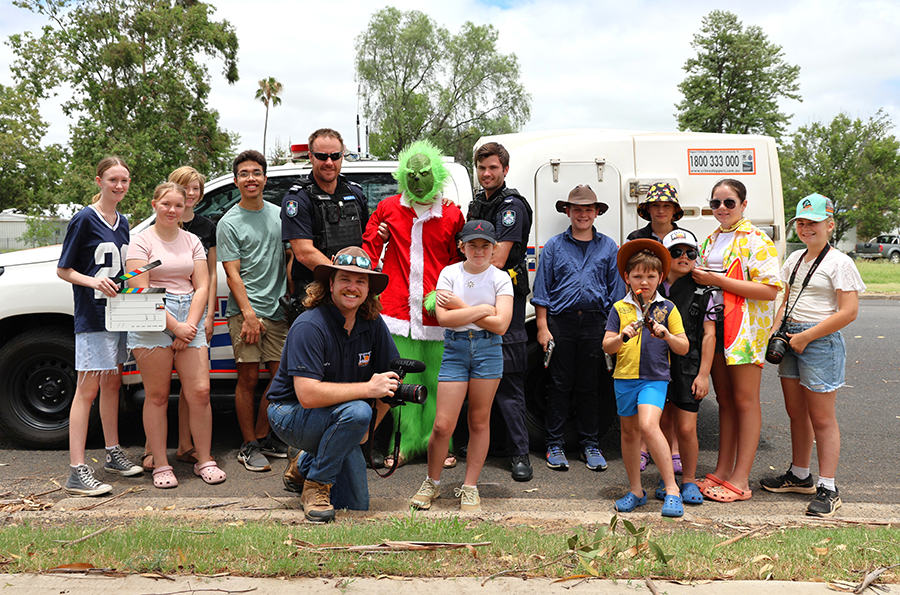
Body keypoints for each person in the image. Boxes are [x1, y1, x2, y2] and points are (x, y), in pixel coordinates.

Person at [267, 247, 400, 523]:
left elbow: (390, 381)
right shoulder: (309, 325)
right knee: (358, 412)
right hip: (290, 413)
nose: (352, 287)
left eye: (360, 281)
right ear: (330, 284)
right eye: (345, 279)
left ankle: (303, 462)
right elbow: (306, 395)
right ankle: (315, 485)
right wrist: (366, 394)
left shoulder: (373, 323)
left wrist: (367, 432)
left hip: (343, 416)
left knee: (355, 506)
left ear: (368, 289)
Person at [362, 140, 465, 469]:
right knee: (402, 384)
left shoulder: (451, 213)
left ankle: (439, 443)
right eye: (412, 175)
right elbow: (368, 248)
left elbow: (456, 261)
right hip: (398, 312)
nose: (418, 180)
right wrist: (379, 235)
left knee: (439, 382)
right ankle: (405, 444)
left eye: (424, 174)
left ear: (435, 173)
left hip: (437, 313)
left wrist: (444, 290)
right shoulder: (388, 208)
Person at [760, 194, 864, 517]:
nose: (806, 229)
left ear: (830, 225)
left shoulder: (840, 263)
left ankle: (829, 487)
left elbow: (849, 313)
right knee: (796, 412)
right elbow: (784, 301)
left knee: (822, 418)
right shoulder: (793, 260)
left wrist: (807, 336)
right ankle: (800, 475)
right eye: (801, 223)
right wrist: (777, 330)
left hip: (819, 341)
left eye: (813, 223)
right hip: (790, 337)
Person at [409, 221, 513, 512]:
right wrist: (482, 309)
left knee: (479, 421)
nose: (478, 251)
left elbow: (502, 324)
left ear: (493, 248)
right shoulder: (449, 273)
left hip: (488, 349)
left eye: (485, 245)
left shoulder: (500, 278)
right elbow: (444, 319)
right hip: (455, 349)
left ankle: (470, 487)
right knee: (442, 425)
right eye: (472, 245)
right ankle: (432, 481)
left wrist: (459, 305)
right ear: (461, 246)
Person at [126, 182, 223, 489]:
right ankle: (161, 463)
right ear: (154, 204)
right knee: (156, 396)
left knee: (200, 392)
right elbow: (139, 290)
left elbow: (202, 285)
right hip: (152, 318)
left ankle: (204, 459)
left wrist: (188, 326)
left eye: (178, 205)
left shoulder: (192, 240)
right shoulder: (140, 243)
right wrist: (174, 327)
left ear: (185, 208)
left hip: (188, 315)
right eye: (166, 204)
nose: (172, 210)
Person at [57, 156, 142, 496]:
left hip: (117, 314)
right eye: (113, 180)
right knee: (87, 390)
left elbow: (119, 269)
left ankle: (112, 452)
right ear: (99, 181)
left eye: (124, 180)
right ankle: (77, 470)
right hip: (92, 317)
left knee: (112, 384)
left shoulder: (123, 223)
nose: (119, 185)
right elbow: (64, 270)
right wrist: (94, 283)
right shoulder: (84, 219)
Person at [692, 179, 781, 503]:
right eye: (715, 203)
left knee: (745, 402)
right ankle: (722, 470)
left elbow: (770, 289)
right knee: (726, 401)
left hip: (744, 331)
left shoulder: (757, 240)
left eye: (729, 203)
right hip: (714, 328)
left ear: (743, 205)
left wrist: (717, 280)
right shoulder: (711, 239)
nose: (722, 209)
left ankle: (741, 479)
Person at [531, 185, 623, 471]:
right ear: (568, 212)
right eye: (577, 209)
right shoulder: (554, 247)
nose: (583, 214)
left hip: (596, 322)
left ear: (597, 213)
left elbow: (616, 292)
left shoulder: (609, 247)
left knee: (590, 385)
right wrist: (542, 328)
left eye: (588, 209)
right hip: (562, 321)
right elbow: (542, 290)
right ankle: (554, 444)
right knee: (559, 384)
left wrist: (611, 329)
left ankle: (590, 445)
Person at [603, 240, 689, 518]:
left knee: (649, 425)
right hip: (624, 378)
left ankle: (672, 490)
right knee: (629, 433)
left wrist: (667, 335)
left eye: (651, 276)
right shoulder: (619, 308)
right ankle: (636, 491)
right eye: (637, 276)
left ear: (660, 278)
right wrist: (622, 335)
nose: (644, 281)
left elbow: (684, 347)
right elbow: (607, 347)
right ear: (627, 278)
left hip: (655, 378)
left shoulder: (668, 308)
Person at [217, 150, 290, 472]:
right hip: (246, 312)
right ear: (236, 180)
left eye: (256, 172)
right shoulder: (229, 222)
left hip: (279, 312)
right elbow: (232, 274)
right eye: (244, 173)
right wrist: (248, 314)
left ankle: (263, 437)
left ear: (264, 178)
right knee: (247, 378)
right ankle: (248, 445)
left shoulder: (279, 215)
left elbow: (290, 256)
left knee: (280, 378)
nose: (251, 178)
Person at [466, 141, 534, 482]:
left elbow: (497, 259)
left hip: (503, 300)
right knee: (479, 376)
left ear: (504, 170)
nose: (487, 173)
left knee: (507, 381)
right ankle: (490, 445)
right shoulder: (478, 204)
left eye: (493, 167)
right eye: (482, 168)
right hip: (476, 299)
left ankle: (520, 453)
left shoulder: (511, 207)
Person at [626, 182, 683, 473]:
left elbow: (688, 273)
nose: (661, 210)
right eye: (655, 205)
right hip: (644, 313)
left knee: (671, 383)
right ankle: (645, 446)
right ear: (646, 209)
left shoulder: (684, 238)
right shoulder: (637, 238)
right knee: (647, 376)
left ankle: (672, 446)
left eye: (667, 205)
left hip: (674, 312)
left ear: (675, 210)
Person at [659, 229, 717, 506]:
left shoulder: (704, 292)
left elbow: (709, 335)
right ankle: (665, 476)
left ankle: (689, 480)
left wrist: (704, 373)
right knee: (662, 423)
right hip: (656, 366)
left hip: (688, 367)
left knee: (685, 428)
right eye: (676, 252)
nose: (684, 257)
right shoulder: (653, 286)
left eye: (690, 252)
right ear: (664, 256)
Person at [281, 128, 368, 302]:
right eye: (322, 156)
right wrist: (342, 276)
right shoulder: (298, 198)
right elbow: (304, 253)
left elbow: (366, 238)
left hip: (353, 290)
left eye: (335, 156)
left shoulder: (355, 192)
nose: (329, 162)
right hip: (315, 292)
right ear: (311, 156)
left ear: (342, 156)